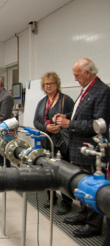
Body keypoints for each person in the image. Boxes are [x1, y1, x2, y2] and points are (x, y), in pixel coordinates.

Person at [54, 58, 110, 238]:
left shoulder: (102, 91)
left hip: (92, 149)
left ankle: (93, 225)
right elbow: (80, 113)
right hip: (78, 147)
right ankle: (83, 215)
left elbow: (99, 123)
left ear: (88, 73)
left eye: (77, 75)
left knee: (92, 187)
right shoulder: (86, 90)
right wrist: (66, 116)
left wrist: (69, 123)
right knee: (82, 186)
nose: (76, 79)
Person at [33, 72, 74, 215]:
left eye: (51, 83)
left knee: (64, 172)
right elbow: (36, 122)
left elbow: (73, 118)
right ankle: (51, 198)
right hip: (47, 141)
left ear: (57, 84)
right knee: (48, 170)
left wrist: (61, 125)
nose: (48, 86)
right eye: (46, 84)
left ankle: (67, 202)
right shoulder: (42, 102)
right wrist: (47, 128)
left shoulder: (65, 100)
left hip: (63, 142)